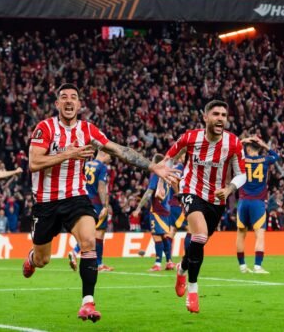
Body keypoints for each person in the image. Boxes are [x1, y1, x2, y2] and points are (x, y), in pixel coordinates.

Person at [22, 83, 180, 322]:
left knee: (88, 242)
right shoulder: (44, 128)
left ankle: (87, 302)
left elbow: (119, 150)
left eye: (73, 97)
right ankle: (32, 259)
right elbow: (34, 163)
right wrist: (70, 154)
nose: (68, 101)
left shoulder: (88, 130)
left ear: (79, 104)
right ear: (57, 104)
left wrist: (152, 166)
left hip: (76, 197)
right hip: (46, 202)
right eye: (63, 97)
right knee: (43, 259)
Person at [166, 100, 246, 313]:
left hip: (217, 199)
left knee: (200, 241)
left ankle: (182, 269)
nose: (220, 118)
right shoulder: (190, 137)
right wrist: (162, 182)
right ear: (205, 117)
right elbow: (168, 157)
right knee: (199, 235)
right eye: (216, 114)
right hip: (190, 190)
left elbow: (241, 174)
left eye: (223, 115)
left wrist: (229, 189)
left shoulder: (234, 143)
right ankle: (193, 289)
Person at [236, 136, 279, 274]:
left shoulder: (242, 159)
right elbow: (276, 156)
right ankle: (257, 266)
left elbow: (231, 151)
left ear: (248, 148)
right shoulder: (265, 160)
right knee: (259, 235)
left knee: (241, 234)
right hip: (257, 202)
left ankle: (242, 266)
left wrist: (243, 140)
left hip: (243, 201)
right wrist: (265, 145)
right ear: (259, 148)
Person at [68, 150, 114, 272]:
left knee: (90, 231)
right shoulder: (102, 167)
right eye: (110, 154)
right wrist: (104, 205)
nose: (111, 157)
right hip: (96, 202)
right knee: (99, 233)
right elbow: (101, 186)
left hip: (83, 200)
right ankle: (97, 263)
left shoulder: (87, 164)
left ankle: (78, 253)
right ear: (104, 153)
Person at [132, 154, 176, 272]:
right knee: (165, 236)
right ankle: (169, 262)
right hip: (167, 209)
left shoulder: (156, 175)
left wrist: (138, 208)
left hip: (157, 209)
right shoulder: (167, 175)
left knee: (157, 236)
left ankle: (157, 264)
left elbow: (148, 193)